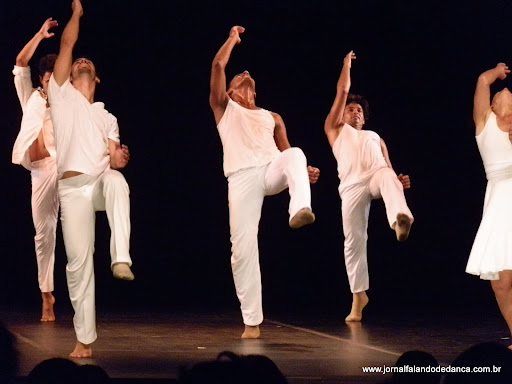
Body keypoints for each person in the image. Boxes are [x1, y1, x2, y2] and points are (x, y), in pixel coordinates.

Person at [209, 26, 320, 339]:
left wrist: (301, 172)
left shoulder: (273, 115)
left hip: (272, 168)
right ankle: (252, 322)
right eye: (238, 74)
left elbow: (287, 152)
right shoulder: (223, 107)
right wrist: (232, 38)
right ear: (230, 91)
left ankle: (299, 208)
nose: (244, 71)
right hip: (242, 177)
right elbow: (218, 66)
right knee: (242, 248)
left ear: (254, 91)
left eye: (247, 74)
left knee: (297, 152)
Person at [48, 0, 133, 357]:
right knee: (78, 263)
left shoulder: (106, 116)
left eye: (88, 63)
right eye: (77, 62)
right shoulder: (61, 95)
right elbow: (67, 46)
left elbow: (115, 156)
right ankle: (84, 340)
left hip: (98, 183)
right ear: (68, 75)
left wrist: (119, 157)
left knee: (116, 181)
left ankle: (121, 257)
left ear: (96, 79)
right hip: (71, 189)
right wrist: (76, 15)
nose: (81, 61)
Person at [324, 51, 413, 322]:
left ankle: (401, 219)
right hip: (351, 186)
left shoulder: (375, 136)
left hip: (376, 175)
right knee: (353, 242)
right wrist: (346, 64)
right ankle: (358, 297)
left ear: (364, 118)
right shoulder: (335, 128)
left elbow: (389, 167)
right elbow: (343, 89)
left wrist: (399, 181)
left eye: (359, 110)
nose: (355, 112)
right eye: (351, 109)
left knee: (387, 175)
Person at [12, 18, 59, 322]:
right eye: (52, 79)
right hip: (39, 169)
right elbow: (20, 62)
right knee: (43, 234)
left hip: (63, 164)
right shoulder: (30, 97)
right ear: (43, 78)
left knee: (62, 228)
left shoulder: (70, 103)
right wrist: (41, 35)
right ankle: (46, 295)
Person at [466, 62, 512, 345]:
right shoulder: (484, 122)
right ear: (492, 105)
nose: (505, 92)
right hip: (498, 201)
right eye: (500, 93)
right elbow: (483, 81)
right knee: (501, 282)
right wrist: (498, 71)